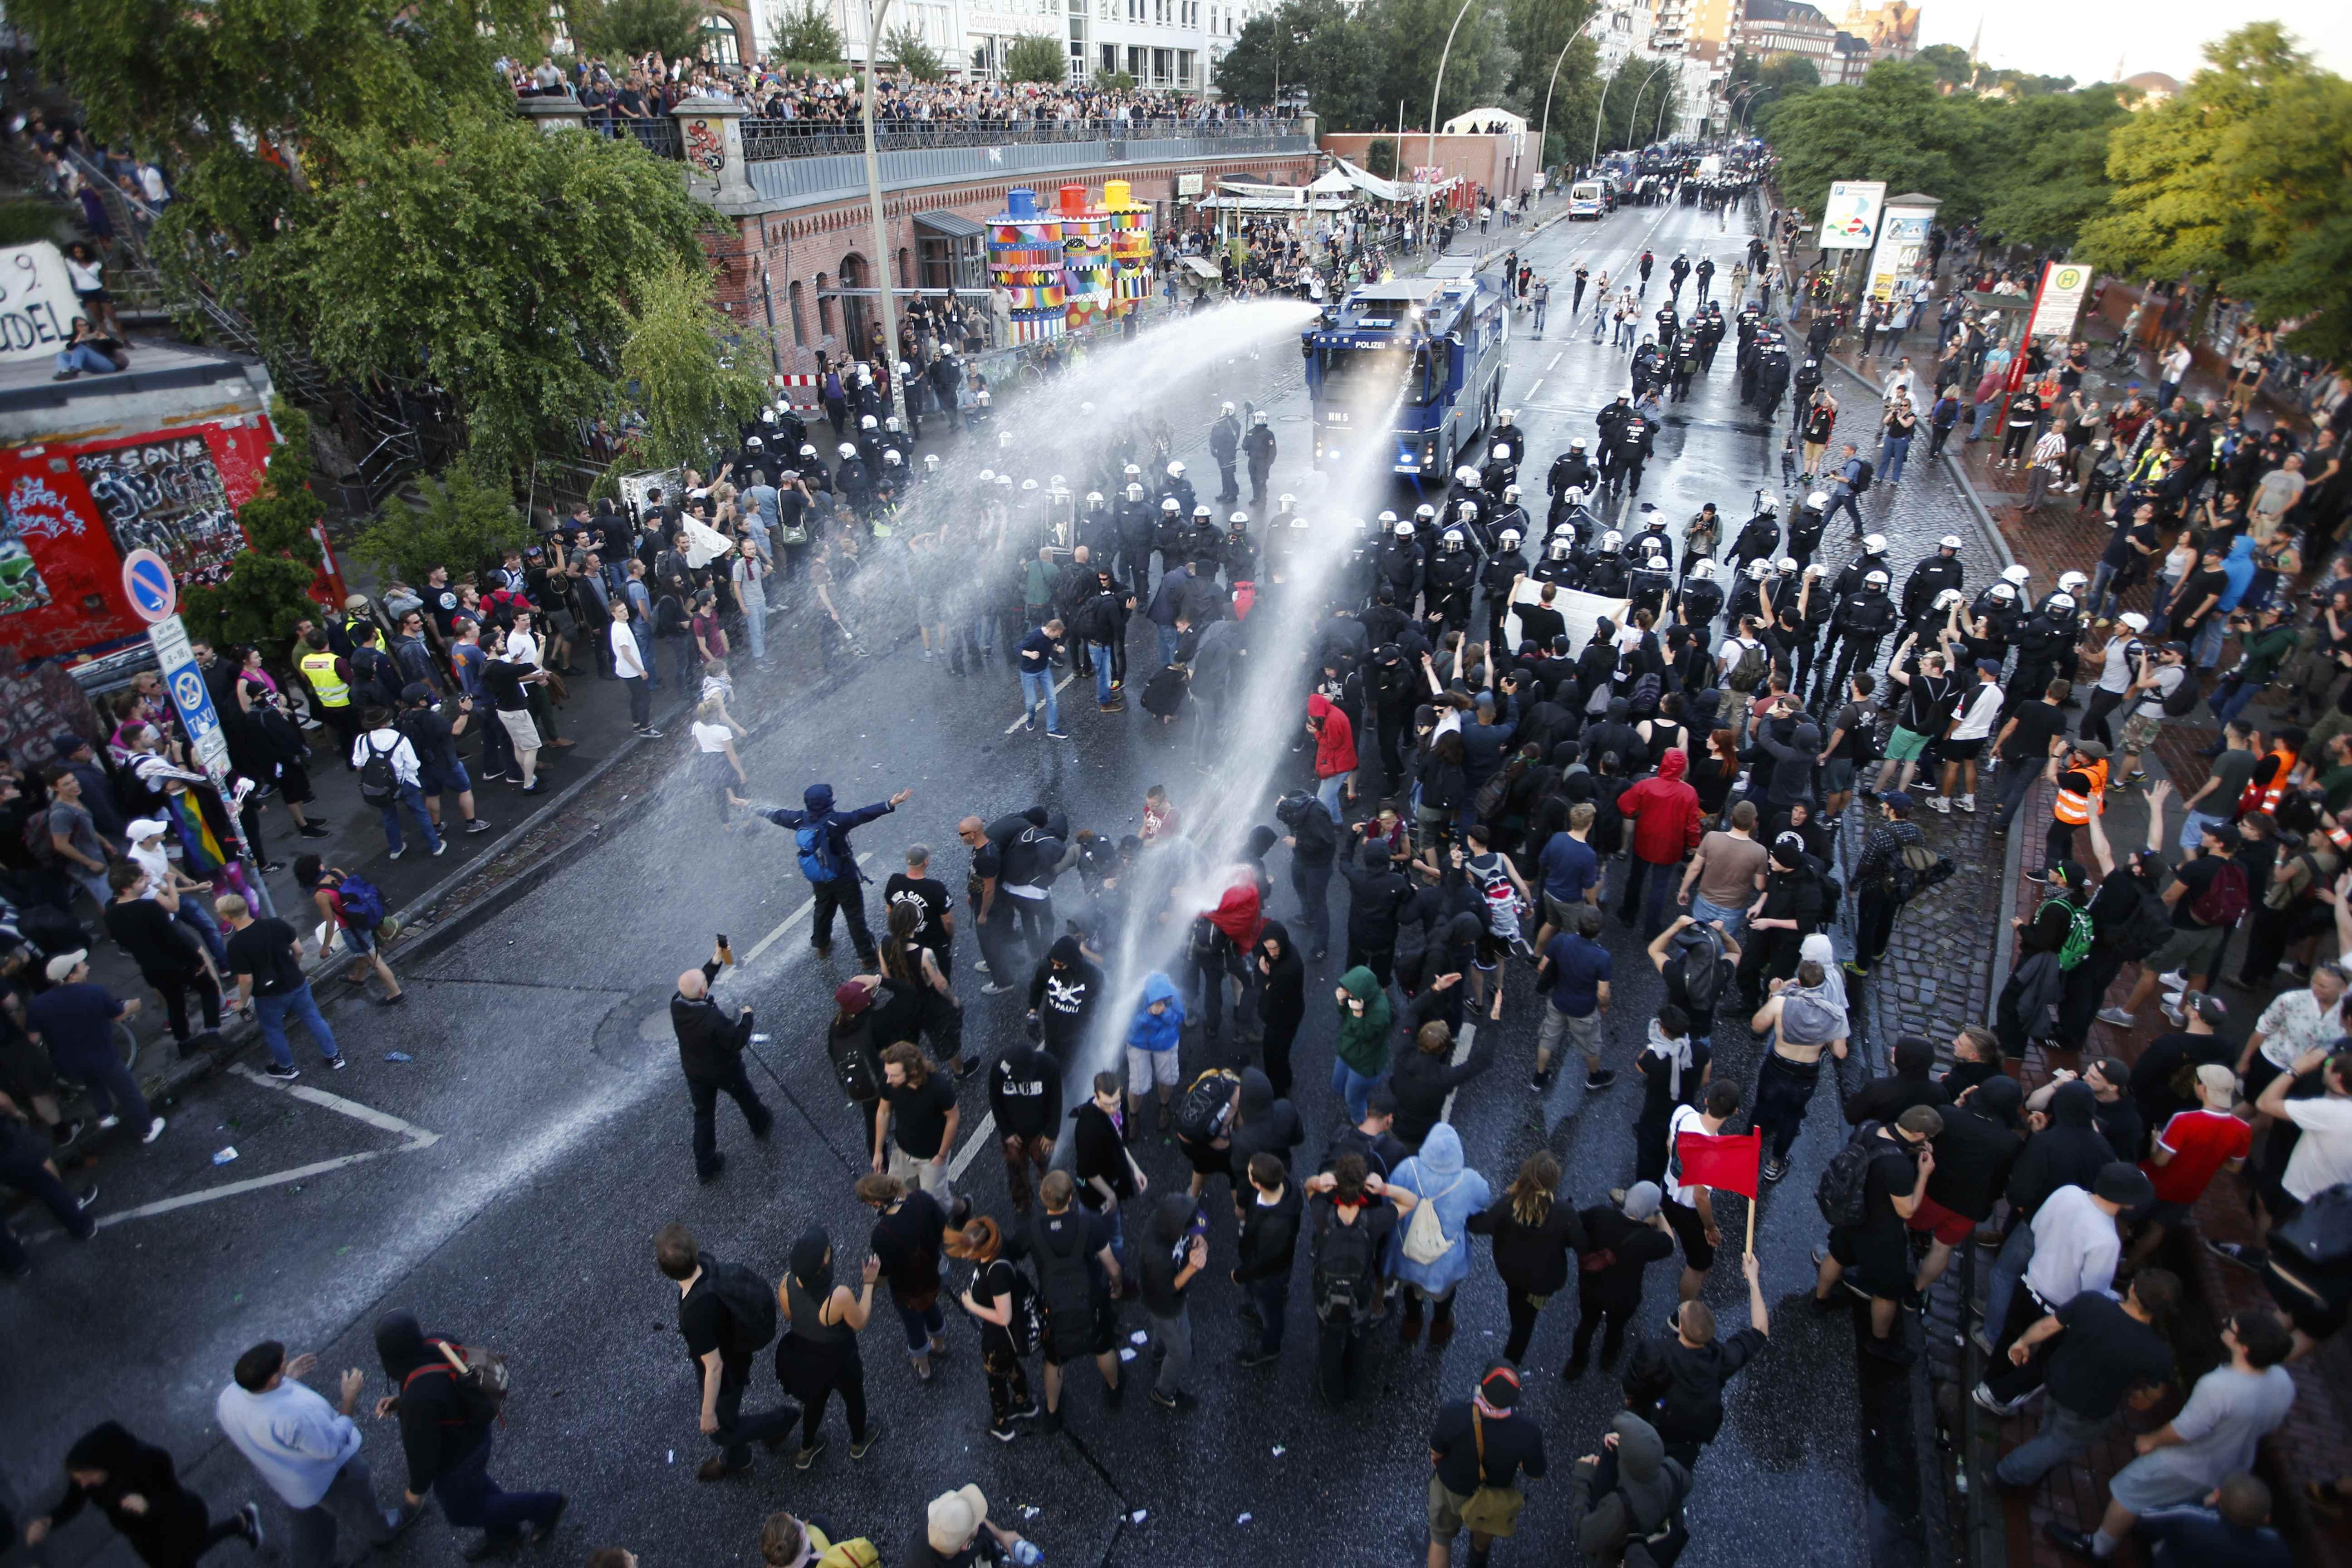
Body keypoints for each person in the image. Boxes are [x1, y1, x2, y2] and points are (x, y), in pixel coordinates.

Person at [2041, 1310, 2297, 1563]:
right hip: (2232, 1465)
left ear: (2245, 1349)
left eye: (2231, 1327)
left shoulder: (2219, 1387)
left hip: (2187, 1463)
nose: (2225, 1324)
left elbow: (2186, 1430)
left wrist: (2151, 1440)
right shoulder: (2283, 1381)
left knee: (2128, 1491)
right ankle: (2161, 1538)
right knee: (2184, 1500)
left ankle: (2098, 1548)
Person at [369, 1312, 565, 1557]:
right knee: (476, 1488)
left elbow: (423, 1453)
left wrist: (415, 1491)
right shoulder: (437, 1343)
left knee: (463, 1511)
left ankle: (547, 1506)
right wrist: (403, 1402)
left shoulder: (418, 1399)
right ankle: (504, 1534)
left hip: (458, 1455)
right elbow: (442, 1391)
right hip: (475, 1432)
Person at [216, 1341, 412, 1568]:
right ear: (270, 1379)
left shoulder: (228, 1398)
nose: (287, 1362)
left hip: (290, 1482)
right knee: (360, 1507)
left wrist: (285, 1378)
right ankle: (384, 1532)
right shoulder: (295, 1416)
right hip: (329, 1478)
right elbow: (332, 1445)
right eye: (284, 1362)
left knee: (310, 1530)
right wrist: (350, 1397)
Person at [1981, 1270, 2181, 1489]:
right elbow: (2156, 1391)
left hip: (2056, 1382)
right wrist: (2144, 1398)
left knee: (2052, 1424)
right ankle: (2007, 1475)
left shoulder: (2092, 1302)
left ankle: (2038, 1452)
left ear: (2132, 1289)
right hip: (2087, 1409)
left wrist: (2023, 1342)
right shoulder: (2157, 1353)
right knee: (2056, 1444)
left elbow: (2048, 1326)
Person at [653, 1224, 799, 1481]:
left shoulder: (695, 1314)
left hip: (728, 1367)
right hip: (736, 1348)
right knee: (727, 1414)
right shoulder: (706, 1265)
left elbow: (715, 1367)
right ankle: (737, 1457)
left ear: (665, 1271)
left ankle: (781, 1421)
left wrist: (707, 1413)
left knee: (720, 1429)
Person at [24, 1423, 263, 1568]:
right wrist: (49, 1521)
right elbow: (72, 1502)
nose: (82, 1484)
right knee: (182, 1558)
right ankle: (242, 1522)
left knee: (184, 1557)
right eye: (78, 1479)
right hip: (144, 1539)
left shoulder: (149, 1461)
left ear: (103, 1462)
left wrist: (147, 1506)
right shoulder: (85, 1477)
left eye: (86, 1476)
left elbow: (173, 1498)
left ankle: (242, 1522)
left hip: (178, 1523)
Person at [1813, 1105, 1943, 1362]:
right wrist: (1924, 1175)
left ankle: (1820, 1301)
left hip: (1850, 1216)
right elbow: (1907, 1210)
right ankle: (1879, 1342)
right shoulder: (1898, 1167)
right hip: (1881, 1233)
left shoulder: (1870, 1127)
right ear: (1919, 1134)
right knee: (1887, 1291)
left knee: (1837, 1255)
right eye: (1928, 1137)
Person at [1622, 1252, 1770, 1470]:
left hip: (1649, 1427)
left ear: (1680, 1328)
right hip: (1685, 1442)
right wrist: (1753, 1280)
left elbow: (1630, 1392)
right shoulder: (1721, 1359)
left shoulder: (1655, 1352)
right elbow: (1760, 1331)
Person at [742, 783, 911, 967]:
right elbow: (862, 815)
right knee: (854, 917)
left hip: (820, 877)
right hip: (844, 876)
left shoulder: (800, 820)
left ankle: (822, 946)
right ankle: (867, 957)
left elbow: (777, 815)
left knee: (822, 910)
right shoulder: (836, 821)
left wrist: (750, 806)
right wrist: (890, 803)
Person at [1024, 1168, 1125, 1432]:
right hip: (1091, 1301)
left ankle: (1053, 1412)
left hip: (1053, 1307)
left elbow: (1009, 1253)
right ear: (1070, 1199)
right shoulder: (1088, 1225)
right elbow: (1112, 1267)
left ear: (1044, 1201)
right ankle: (1114, 1390)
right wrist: (1117, 1287)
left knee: (1054, 1360)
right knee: (1103, 1347)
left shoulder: (1032, 1230)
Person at [1304, 1154, 1409, 1404]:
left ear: (1337, 1182)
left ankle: (1333, 1393)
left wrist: (1319, 1181)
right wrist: (1383, 1188)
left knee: (1328, 1344)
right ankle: (1353, 1385)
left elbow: (1307, 1187)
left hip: (1326, 1296)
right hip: (1359, 1296)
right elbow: (1411, 1201)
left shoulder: (1322, 1213)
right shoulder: (1373, 1221)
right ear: (1364, 1184)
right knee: (1358, 1340)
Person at [773, 1225, 879, 1469]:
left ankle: (806, 1449)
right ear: (823, 1265)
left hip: (808, 1359)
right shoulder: (838, 1296)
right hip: (841, 1361)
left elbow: (790, 1317)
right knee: (854, 1399)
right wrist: (869, 1283)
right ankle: (858, 1443)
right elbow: (860, 1321)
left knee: (815, 1403)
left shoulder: (786, 1282)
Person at [1467, 1152, 1587, 1365]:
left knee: (1516, 1306)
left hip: (1511, 1272)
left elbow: (1480, 1226)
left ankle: (1516, 1327)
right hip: (1543, 1281)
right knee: (1526, 1322)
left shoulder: (1508, 1205)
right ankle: (1510, 1363)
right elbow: (1582, 1245)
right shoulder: (1564, 1213)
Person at [1425, 1362, 1546, 1568]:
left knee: (1440, 1540)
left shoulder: (1454, 1413)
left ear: (1481, 1387)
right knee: (1483, 1537)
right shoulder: (1529, 1432)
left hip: (1451, 1490)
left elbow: (1436, 1452)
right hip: (1492, 1496)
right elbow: (1536, 1473)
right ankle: (1477, 1561)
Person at [671, 941, 769, 1185]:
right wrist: (748, 1016)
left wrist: (717, 959)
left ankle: (706, 1165)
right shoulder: (711, 1019)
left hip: (695, 1071)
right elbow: (737, 1040)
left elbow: (699, 983)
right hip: (724, 1070)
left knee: (703, 1115)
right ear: (704, 992)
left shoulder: (677, 1003)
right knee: (745, 1095)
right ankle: (760, 1124)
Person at [858, 1171, 952, 1382]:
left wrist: (870, 1283)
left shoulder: (881, 1235)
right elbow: (943, 1227)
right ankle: (939, 1345)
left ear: (876, 1203)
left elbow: (883, 1276)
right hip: (934, 1274)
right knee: (930, 1306)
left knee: (914, 1325)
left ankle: (925, 1368)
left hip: (907, 1290)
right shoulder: (921, 1199)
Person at [1567, 1411, 1691, 1567]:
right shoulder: (1671, 1469)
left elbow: (1584, 1537)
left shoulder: (1618, 1505)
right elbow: (1687, 1484)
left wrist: (1582, 1475)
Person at [1533, 903, 1616, 1093]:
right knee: (1591, 1045)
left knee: (1548, 1039)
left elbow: (1542, 967)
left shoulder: (1562, 940)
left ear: (1578, 925)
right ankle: (1595, 1078)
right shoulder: (1603, 957)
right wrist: (1604, 1006)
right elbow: (1603, 993)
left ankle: (1539, 1077)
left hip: (1558, 1002)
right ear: (1599, 931)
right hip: (1583, 1010)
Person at [1232, 1150, 1302, 1369]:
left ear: (1259, 1184)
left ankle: (1270, 1348)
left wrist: (1240, 1275)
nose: (1248, 1174)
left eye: (1251, 1173)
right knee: (1272, 1297)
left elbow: (1261, 1264)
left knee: (1271, 1313)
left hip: (1267, 1275)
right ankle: (1271, 1300)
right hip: (1282, 1262)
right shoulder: (1287, 1187)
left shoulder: (1274, 1227)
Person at [873, 1043, 958, 1202]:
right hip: (902, 1152)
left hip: (931, 1157)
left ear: (912, 1071)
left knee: (937, 1205)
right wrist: (878, 1151)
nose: (888, 1080)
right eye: (888, 1074)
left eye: (895, 1076)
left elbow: (953, 1119)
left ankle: (961, 1208)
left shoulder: (938, 1088)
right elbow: (884, 1112)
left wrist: (942, 1155)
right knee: (899, 1197)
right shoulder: (889, 1080)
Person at [911, 1485, 1034, 1568]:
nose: (981, 1522)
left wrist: (1001, 1535)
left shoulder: (936, 1519)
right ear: (966, 1546)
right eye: (975, 1522)